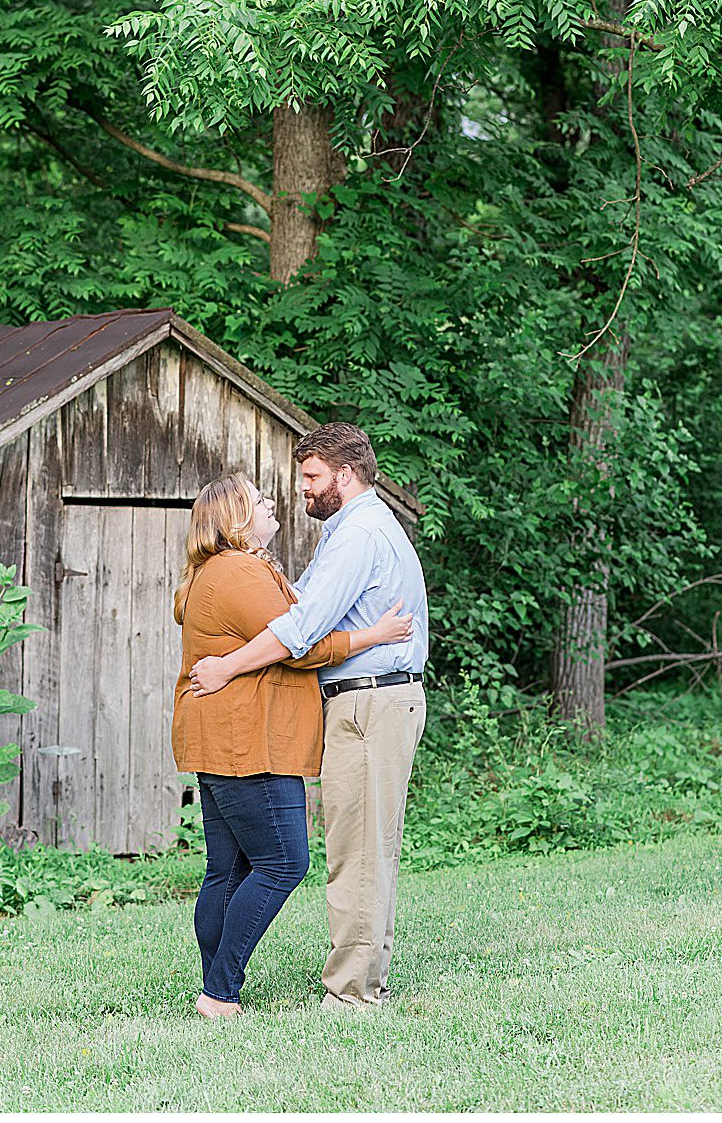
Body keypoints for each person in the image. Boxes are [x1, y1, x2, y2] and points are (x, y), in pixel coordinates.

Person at [188, 423, 430, 1011]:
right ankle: (330, 980)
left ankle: (353, 992)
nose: (302, 490)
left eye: (312, 477)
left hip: (371, 700)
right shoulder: (344, 532)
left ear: (344, 476)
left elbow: (299, 631)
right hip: (359, 700)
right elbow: (295, 608)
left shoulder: (359, 534)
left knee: (360, 849)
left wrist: (226, 667)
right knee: (351, 847)